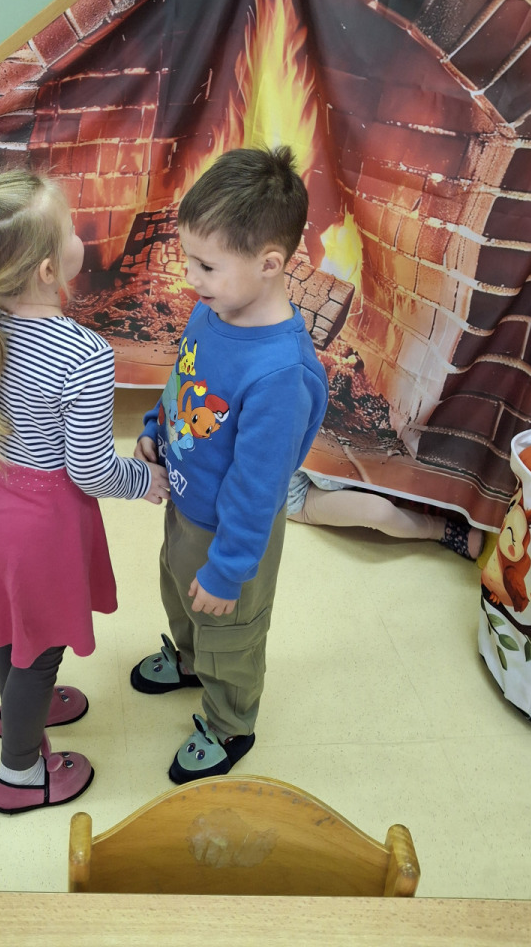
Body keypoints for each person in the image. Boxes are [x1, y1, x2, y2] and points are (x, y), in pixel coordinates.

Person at [0, 171, 169, 815]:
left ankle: (17, 711)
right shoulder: (83, 353)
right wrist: (144, 481)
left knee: (11, 623)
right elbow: (90, 470)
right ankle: (19, 772)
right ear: (47, 269)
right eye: (69, 230)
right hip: (44, 526)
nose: (78, 236)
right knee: (40, 649)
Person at [132, 146, 328, 783]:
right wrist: (155, 429)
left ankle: (228, 723)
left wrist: (228, 570)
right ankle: (189, 659)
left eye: (207, 265)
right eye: (190, 258)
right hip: (187, 506)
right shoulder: (212, 310)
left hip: (234, 536)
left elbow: (257, 488)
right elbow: (183, 381)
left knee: (230, 631)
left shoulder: (280, 375)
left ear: (270, 264)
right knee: (177, 588)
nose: (191, 277)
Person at [287, 469, 483, 559]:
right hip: (298, 499)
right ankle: (442, 530)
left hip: (311, 472)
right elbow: (326, 480)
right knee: (379, 511)